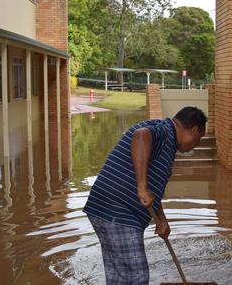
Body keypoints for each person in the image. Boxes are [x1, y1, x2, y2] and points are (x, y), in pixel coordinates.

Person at [83, 107, 207, 285]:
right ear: (194, 130)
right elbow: (141, 135)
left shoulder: (168, 141)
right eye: (199, 139)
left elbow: (151, 190)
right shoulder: (164, 131)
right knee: (136, 276)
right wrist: (141, 187)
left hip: (105, 208)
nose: (196, 145)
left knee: (120, 275)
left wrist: (161, 220)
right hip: (118, 211)